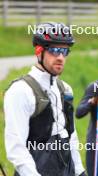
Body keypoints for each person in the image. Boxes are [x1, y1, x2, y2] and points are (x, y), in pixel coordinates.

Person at [4, 22, 86, 176]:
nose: (61, 57)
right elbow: (16, 148)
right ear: (39, 50)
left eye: (65, 51)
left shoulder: (66, 89)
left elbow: (71, 136)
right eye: (55, 50)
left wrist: (79, 170)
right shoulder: (21, 91)